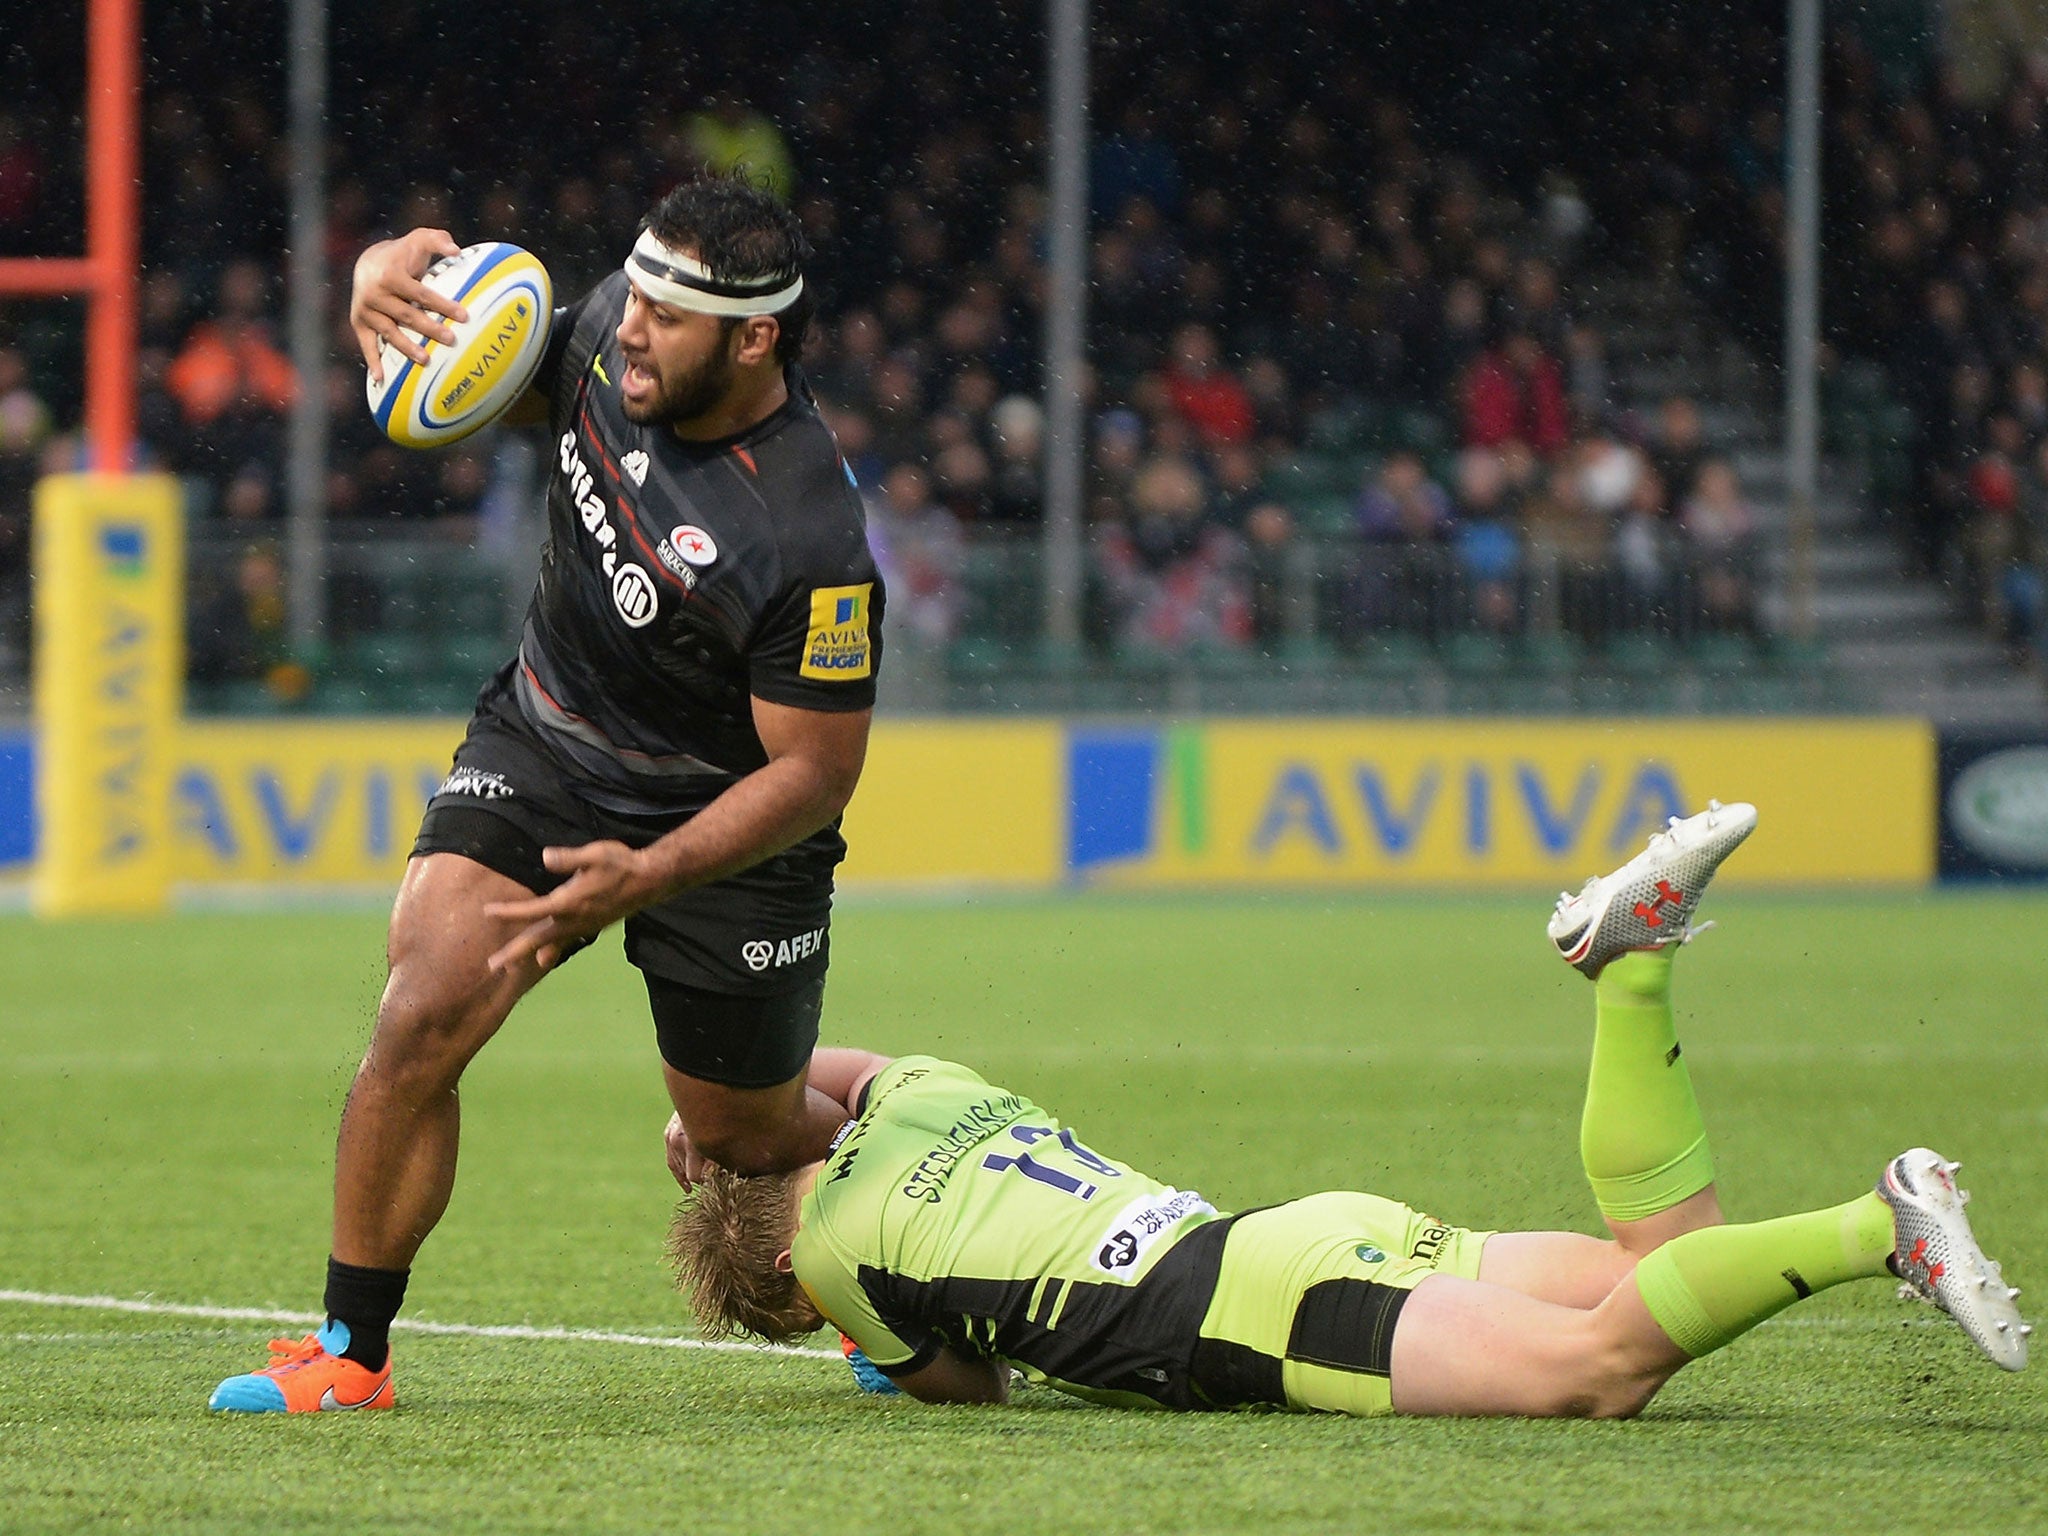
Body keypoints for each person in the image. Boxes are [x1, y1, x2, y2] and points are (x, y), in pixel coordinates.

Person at [210, 174, 887, 1413]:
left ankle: (905, 1199)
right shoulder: (599, 336)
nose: (630, 323)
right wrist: (378, 284)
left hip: (725, 832)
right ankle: (350, 1356)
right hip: (548, 745)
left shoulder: (805, 544)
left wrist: (657, 871)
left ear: (754, 338)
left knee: (739, 1139)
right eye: (635, 289)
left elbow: (814, 774)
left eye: (669, 314)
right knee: (423, 1009)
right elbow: (471, 365)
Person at [668, 803, 2031, 1413]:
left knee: (1594, 1379)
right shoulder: (916, 1090)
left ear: (785, 1269)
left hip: (1246, 1314)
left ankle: (1882, 1227)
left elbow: (974, 1382)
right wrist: (711, 1106)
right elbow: (823, 1074)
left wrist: (862, 1350)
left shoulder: (839, 1259)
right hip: (1291, 1232)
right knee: (1655, 1272)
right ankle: (1630, 973)